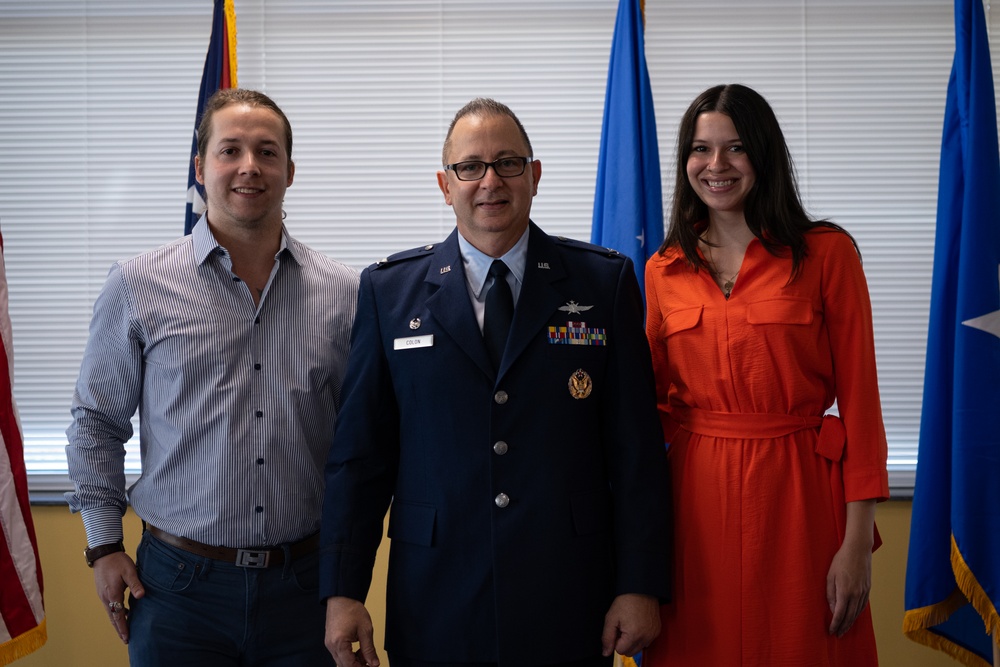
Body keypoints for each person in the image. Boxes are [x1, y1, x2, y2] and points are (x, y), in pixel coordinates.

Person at [320, 97, 672, 667]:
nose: (490, 180)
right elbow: (360, 458)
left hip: (567, 590)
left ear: (534, 176)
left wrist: (640, 584)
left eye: (508, 163)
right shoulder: (389, 292)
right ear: (445, 183)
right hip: (436, 592)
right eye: (470, 166)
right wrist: (343, 590)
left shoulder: (601, 283)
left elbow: (635, 452)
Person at [65, 88, 358, 666]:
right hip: (177, 592)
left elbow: (363, 446)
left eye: (267, 152)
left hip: (305, 589)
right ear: (200, 169)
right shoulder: (137, 285)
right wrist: (103, 546)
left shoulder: (346, 295)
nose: (250, 166)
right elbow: (97, 422)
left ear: (290, 171)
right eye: (230, 150)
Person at [642, 83, 890, 666]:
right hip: (693, 508)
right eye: (701, 149)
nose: (716, 166)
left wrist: (857, 545)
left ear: (765, 154)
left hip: (802, 499)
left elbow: (862, 405)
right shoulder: (662, 269)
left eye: (735, 148)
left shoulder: (827, 254)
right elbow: (644, 414)